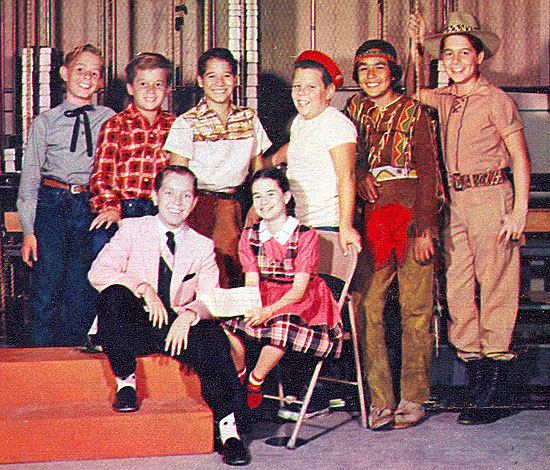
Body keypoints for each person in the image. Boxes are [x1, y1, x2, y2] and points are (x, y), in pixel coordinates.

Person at [408, 12, 530, 425]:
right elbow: (410, 93)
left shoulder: (495, 99)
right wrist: (413, 44)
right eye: (448, 54)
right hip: (455, 202)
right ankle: (475, 376)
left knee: (496, 287)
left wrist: (519, 210)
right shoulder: (445, 97)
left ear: (479, 56)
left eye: (464, 52)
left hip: (492, 195)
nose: (456, 60)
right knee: (459, 290)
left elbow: (520, 156)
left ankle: (494, 387)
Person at [88, 165, 250, 466]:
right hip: (134, 326)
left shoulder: (202, 245)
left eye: (186, 195)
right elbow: (98, 272)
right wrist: (143, 288)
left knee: (212, 333)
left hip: (175, 329)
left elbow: (211, 297)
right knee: (113, 295)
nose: (177, 201)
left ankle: (228, 430)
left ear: (195, 201)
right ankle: (126, 381)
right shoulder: (133, 228)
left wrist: (189, 314)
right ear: (155, 195)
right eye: (169, 193)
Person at [343, 40, 439, 430]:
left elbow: (430, 171)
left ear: (394, 73)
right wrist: (362, 174)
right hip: (372, 221)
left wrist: (425, 226)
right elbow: (351, 158)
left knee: (415, 308)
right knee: (366, 307)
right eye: (363, 68)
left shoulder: (415, 111)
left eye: (379, 68)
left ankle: (414, 396)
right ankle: (380, 399)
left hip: (412, 217)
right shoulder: (352, 110)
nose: (371, 76)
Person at [17, 44, 115, 347]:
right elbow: (30, 178)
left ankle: (74, 358)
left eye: (94, 72)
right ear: (64, 73)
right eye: (80, 69)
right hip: (52, 204)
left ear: (101, 81)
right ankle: (40, 357)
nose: (86, 77)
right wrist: (28, 230)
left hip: (90, 206)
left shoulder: (110, 118)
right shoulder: (45, 122)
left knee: (81, 285)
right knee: (47, 282)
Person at [222, 167, 343, 414]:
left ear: (286, 197)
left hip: (303, 300)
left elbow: (299, 290)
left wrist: (267, 312)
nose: (264, 202)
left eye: (271, 194)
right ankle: (241, 373)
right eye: (257, 196)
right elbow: (252, 282)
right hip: (266, 295)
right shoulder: (249, 235)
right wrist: (254, 307)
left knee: (282, 326)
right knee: (228, 325)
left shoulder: (305, 234)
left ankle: (256, 379)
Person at [163, 47, 272, 288]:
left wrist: (256, 205)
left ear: (235, 79)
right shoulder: (186, 122)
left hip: (230, 205)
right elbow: (176, 176)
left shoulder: (249, 118)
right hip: (196, 205)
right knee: (191, 272)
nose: (220, 83)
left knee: (228, 268)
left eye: (227, 75)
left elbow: (259, 168)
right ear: (201, 81)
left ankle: (225, 325)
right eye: (212, 76)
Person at [270, 50, 361, 255]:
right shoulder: (301, 121)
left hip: (328, 227)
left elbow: (347, 177)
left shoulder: (336, 124)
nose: (301, 93)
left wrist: (345, 227)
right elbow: (294, 150)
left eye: (311, 87)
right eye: (297, 86)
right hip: (303, 224)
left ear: (329, 91)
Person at [89, 52, 176, 258]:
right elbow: (102, 175)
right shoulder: (115, 124)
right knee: (101, 244)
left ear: (168, 89)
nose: (151, 91)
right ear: (130, 88)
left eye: (158, 84)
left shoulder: (177, 126)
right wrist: (111, 207)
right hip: (123, 207)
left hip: (160, 210)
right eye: (143, 84)